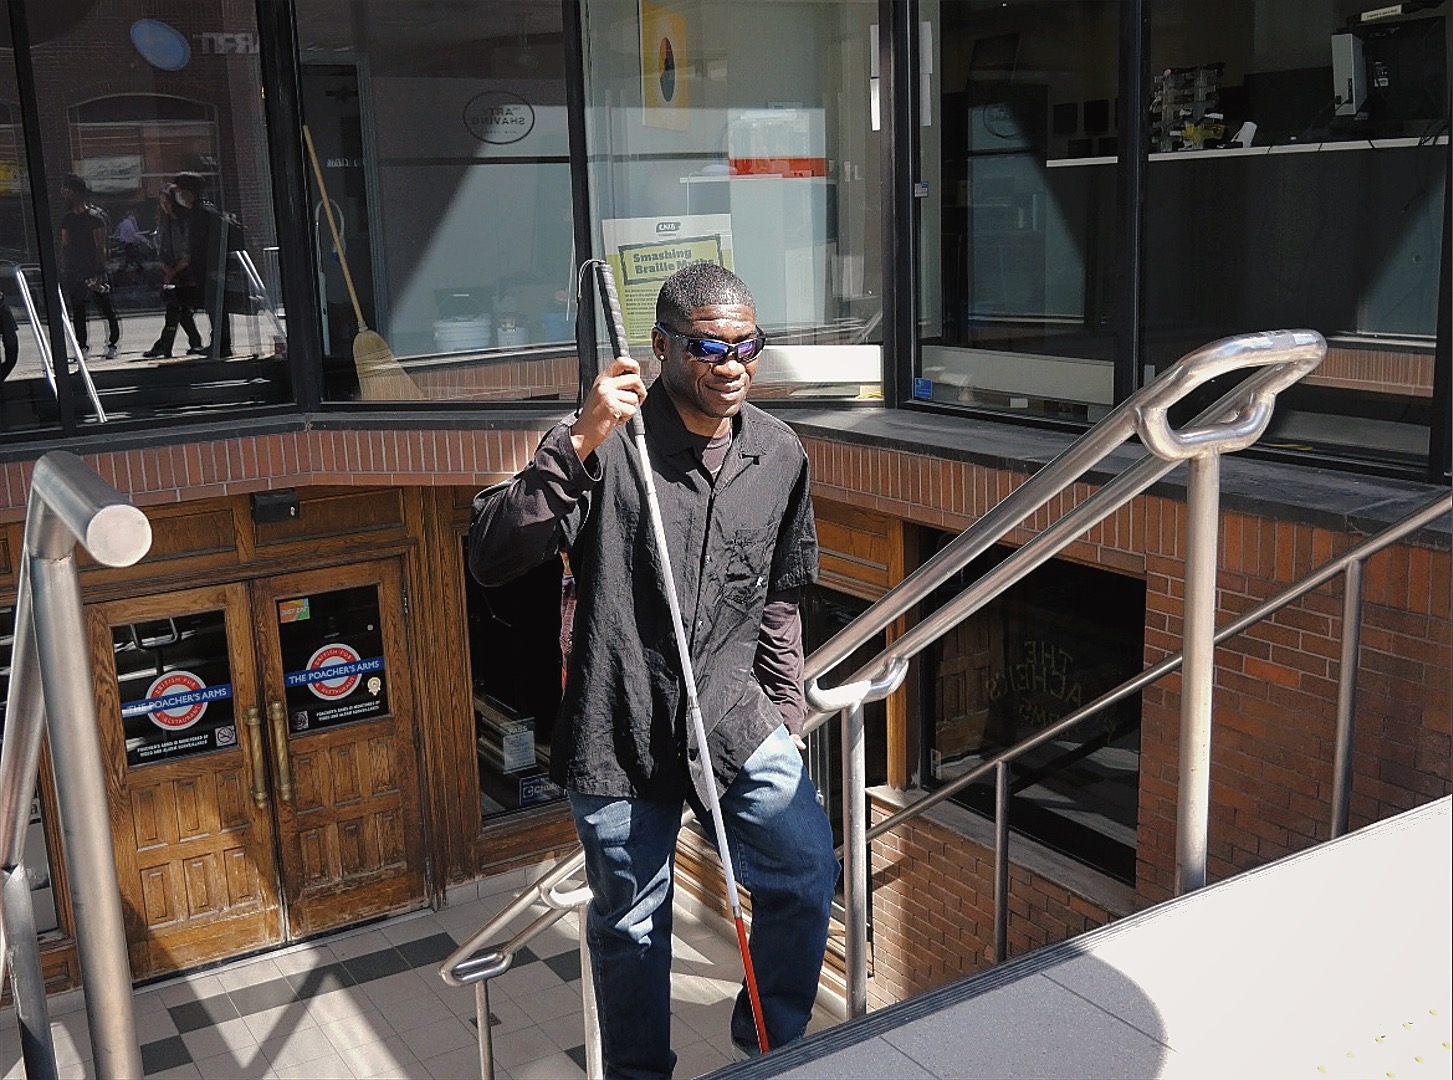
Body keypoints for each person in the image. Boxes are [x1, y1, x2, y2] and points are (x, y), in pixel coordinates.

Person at [469, 262, 838, 1078]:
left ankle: (768, 1048)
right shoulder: (604, 446)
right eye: (710, 347)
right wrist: (579, 439)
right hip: (618, 727)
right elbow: (493, 554)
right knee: (632, 925)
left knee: (806, 871)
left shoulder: (778, 453)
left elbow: (781, 594)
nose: (733, 364)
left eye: (749, 346)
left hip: (735, 715)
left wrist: (786, 709)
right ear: (663, 348)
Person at [58, 174, 120, 359]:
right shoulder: (67, 219)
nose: (63, 193)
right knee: (78, 310)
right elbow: (65, 244)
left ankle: (112, 345)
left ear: (76, 192)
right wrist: (65, 267)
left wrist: (99, 274)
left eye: (67, 189)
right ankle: (82, 346)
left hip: (93, 269)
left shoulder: (95, 218)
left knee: (105, 308)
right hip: (75, 271)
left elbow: (101, 248)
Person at [170, 172, 230, 359]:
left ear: (188, 192)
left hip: (209, 268)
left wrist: (215, 268)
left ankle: (221, 344)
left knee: (216, 307)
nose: (178, 195)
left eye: (179, 190)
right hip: (206, 268)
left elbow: (210, 243)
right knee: (213, 307)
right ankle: (219, 343)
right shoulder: (204, 211)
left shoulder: (201, 213)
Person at [142, 184, 204, 359]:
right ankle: (193, 341)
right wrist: (166, 268)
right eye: (162, 203)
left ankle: (165, 344)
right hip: (171, 270)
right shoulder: (164, 223)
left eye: (168, 202)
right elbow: (159, 247)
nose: (165, 206)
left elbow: (188, 251)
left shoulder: (184, 222)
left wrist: (174, 271)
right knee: (180, 309)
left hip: (185, 271)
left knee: (174, 309)